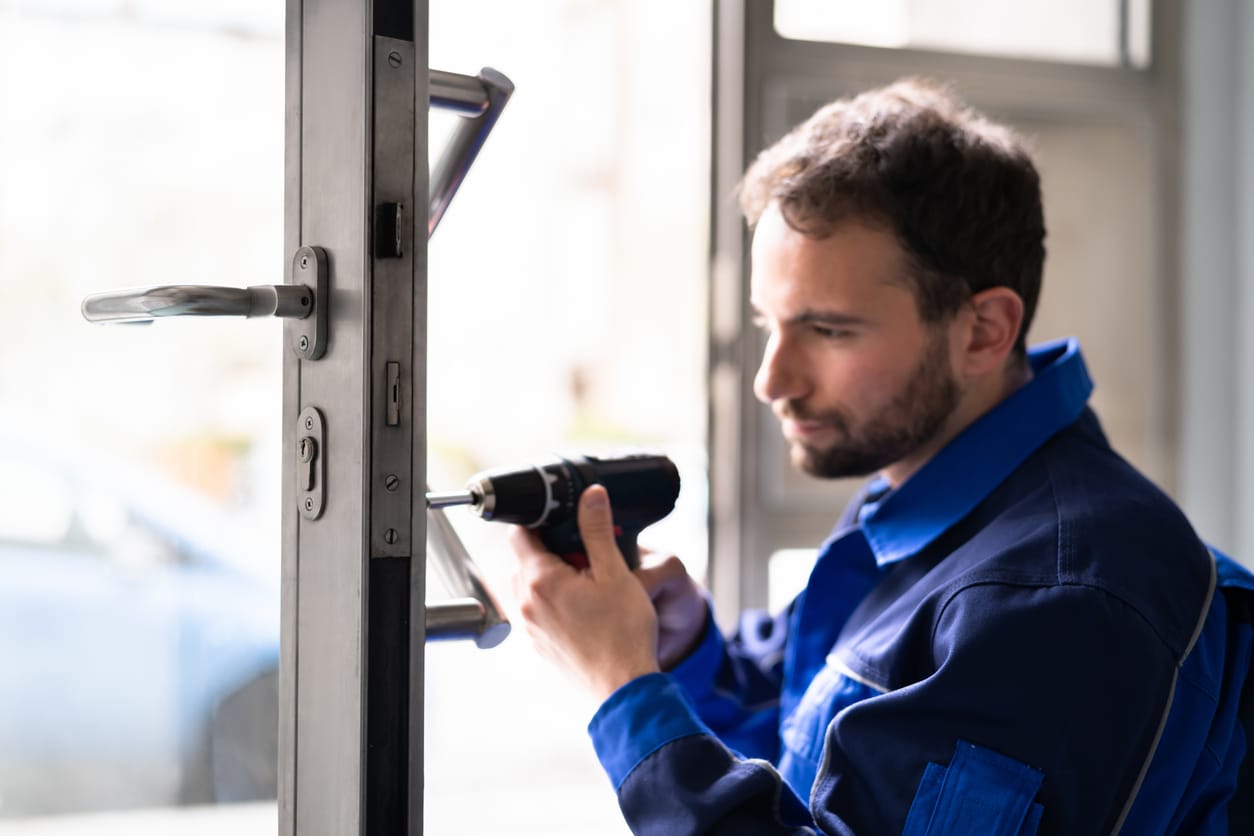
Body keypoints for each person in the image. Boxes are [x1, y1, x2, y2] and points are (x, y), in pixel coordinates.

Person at [505, 77, 1254, 834]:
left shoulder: (1055, 597)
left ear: (984, 331)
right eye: (771, 323)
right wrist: (682, 648)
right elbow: (822, 745)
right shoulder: (937, 496)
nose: (773, 380)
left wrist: (621, 688)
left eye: (829, 330)